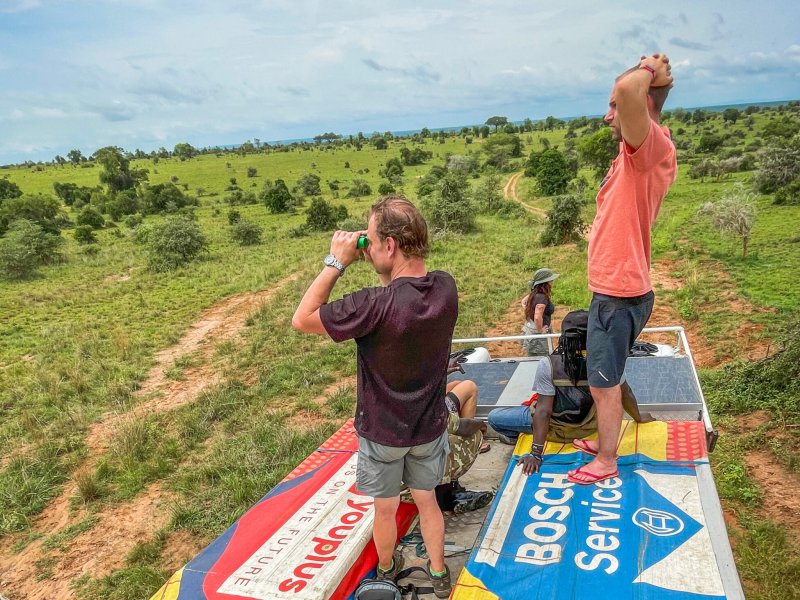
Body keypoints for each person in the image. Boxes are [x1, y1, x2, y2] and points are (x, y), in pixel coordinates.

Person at [291, 195, 455, 597]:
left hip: (382, 433)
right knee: (427, 502)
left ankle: (386, 568)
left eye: (373, 238)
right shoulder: (446, 288)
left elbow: (302, 319)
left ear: (391, 245)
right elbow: (404, 290)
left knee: (385, 508)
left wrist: (337, 261)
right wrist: (378, 253)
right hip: (429, 427)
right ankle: (438, 575)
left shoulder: (372, 305)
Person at [575, 52, 676, 485]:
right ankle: (606, 438)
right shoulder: (633, 152)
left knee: (603, 381)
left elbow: (628, 89)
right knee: (606, 376)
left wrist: (650, 70)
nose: (607, 115)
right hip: (616, 290)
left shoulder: (649, 147)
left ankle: (607, 459)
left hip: (618, 295)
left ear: (643, 106)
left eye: (614, 108)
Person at [485, 310, 653, 474]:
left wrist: (536, 453)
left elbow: (543, 411)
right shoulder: (609, 362)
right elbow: (625, 394)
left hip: (556, 430)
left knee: (495, 417)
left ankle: (514, 436)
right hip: (591, 428)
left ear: (564, 337)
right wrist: (638, 417)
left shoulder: (549, 364)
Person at [520, 268, 559, 356]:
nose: (552, 282)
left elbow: (523, 302)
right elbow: (537, 316)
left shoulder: (534, 293)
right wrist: (540, 329)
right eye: (550, 280)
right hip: (539, 338)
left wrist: (530, 311)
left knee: (533, 359)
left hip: (530, 331)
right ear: (545, 283)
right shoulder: (542, 298)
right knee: (543, 359)